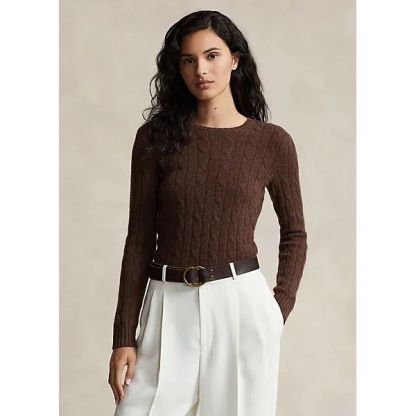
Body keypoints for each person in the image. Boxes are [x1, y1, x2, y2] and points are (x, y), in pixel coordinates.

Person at [108, 10, 307, 416]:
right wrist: (123, 335)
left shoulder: (271, 143)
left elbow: (295, 233)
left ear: (235, 59)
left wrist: (277, 309)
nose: (201, 70)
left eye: (212, 55)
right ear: (177, 68)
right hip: (166, 304)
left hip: (241, 306)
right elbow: (139, 238)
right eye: (189, 60)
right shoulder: (153, 140)